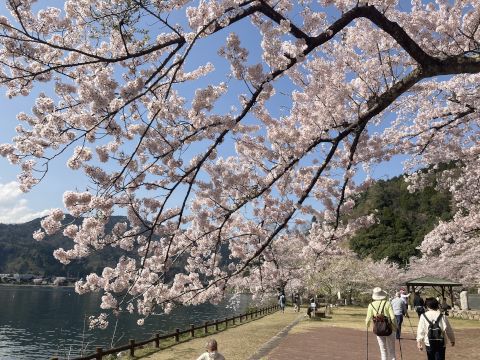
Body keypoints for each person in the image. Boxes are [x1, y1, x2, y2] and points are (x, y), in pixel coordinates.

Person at [366, 287, 397, 360]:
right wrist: (395, 326)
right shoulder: (387, 303)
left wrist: (367, 326)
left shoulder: (371, 305)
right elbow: (392, 317)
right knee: (392, 350)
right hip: (389, 328)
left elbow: (368, 319)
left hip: (378, 329)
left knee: (383, 350)